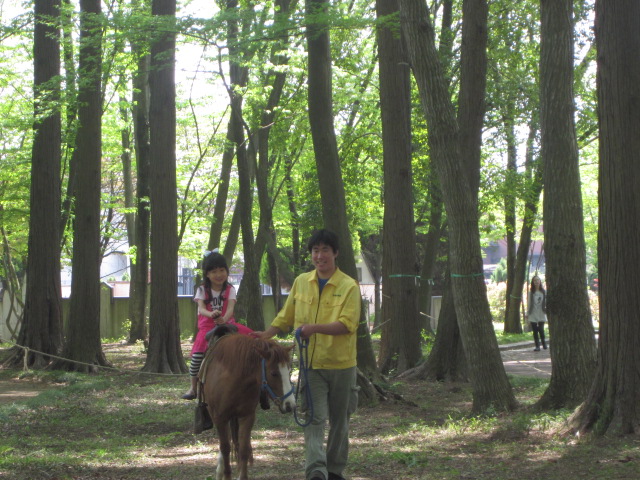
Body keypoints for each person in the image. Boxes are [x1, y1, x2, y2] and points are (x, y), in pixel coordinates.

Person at [252, 229, 361, 480]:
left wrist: (314, 329)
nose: (319, 255)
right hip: (310, 365)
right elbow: (286, 317)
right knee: (314, 418)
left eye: (325, 250)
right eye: (315, 250)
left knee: (339, 422)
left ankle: (334, 470)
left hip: (343, 366)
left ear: (335, 253)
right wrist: (266, 335)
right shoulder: (302, 282)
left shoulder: (348, 286)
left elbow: (347, 324)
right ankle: (316, 472)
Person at [182, 250, 252, 400]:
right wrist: (211, 314)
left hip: (228, 325)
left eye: (222, 270)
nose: (219, 274)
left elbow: (231, 309)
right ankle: (193, 387)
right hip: (207, 327)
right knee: (196, 358)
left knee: (252, 341)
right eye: (214, 271)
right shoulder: (202, 290)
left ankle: (256, 385)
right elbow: (201, 309)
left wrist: (224, 319)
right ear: (207, 274)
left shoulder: (230, 289)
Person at [526, 275, 547, 352]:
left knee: (541, 329)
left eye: (538, 280)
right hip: (533, 313)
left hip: (541, 312)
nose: (536, 282)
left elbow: (546, 302)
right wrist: (527, 313)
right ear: (533, 282)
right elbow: (529, 303)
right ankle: (537, 345)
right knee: (535, 330)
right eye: (535, 280)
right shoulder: (531, 293)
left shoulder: (544, 292)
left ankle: (544, 344)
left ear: (540, 281)